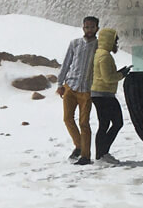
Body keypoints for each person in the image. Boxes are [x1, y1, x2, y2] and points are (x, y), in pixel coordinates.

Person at [56, 15, 99, 164]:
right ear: (83, 27)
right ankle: (79, 146)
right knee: (67, 119)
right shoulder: (75, 44)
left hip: (87, 89)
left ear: (97, 28)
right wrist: (60, 84)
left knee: (84, 123)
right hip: (70, 86)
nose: (89, 30)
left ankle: (86, 156)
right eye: (87, 27)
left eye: (92, 27)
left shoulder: (99, 46)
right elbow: (66, 63)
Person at [89, 27, 130, 162]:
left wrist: (119, 72)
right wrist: (122, 75)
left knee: (104, 124)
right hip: (104, 94)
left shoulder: (99, 53)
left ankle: (101, 154)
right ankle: (102, 154)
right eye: (114, 41)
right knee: (117, 123)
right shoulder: (105, 56)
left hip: (99, 94)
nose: (116, 44)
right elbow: (108, 78)